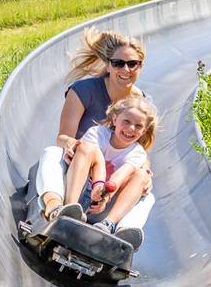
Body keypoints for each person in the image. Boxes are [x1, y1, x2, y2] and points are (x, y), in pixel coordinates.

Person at [31, 29, 155, 247]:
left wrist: (145, 172)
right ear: (108, 65)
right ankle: (57, 208)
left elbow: (139, 151)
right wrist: (72, 144)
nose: (126, 69)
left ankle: (121, 232)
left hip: (108, 189)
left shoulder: (139, 102)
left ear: (140, 66)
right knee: (51, 153)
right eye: (118, 63)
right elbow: (62, 136)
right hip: (77, 175)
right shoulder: (83, 90)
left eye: (132, 64)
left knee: (147, 192)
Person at [37, 97, 157, 228]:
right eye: (126, 121)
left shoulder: (138, 153)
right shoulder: (98, 133)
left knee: (145, 186)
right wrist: (98, 185)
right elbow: (96, 159)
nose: (131, 128)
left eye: (138, 126)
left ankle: (114, 226)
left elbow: (120, 176)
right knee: (52, 152)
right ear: (115, 120)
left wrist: (105, 196)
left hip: (101, 206)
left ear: (144, 131)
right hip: (76, 191)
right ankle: (63, 208)